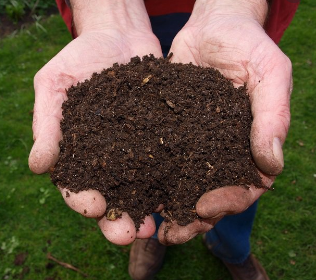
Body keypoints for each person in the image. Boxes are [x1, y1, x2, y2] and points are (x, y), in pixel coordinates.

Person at [28, 0, 299, 279]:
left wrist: (234, 9)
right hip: (133, 14)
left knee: (238, 179)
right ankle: (152, 238)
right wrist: (107, 13)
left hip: (230, 18)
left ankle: (233, 249)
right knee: (152, 190)